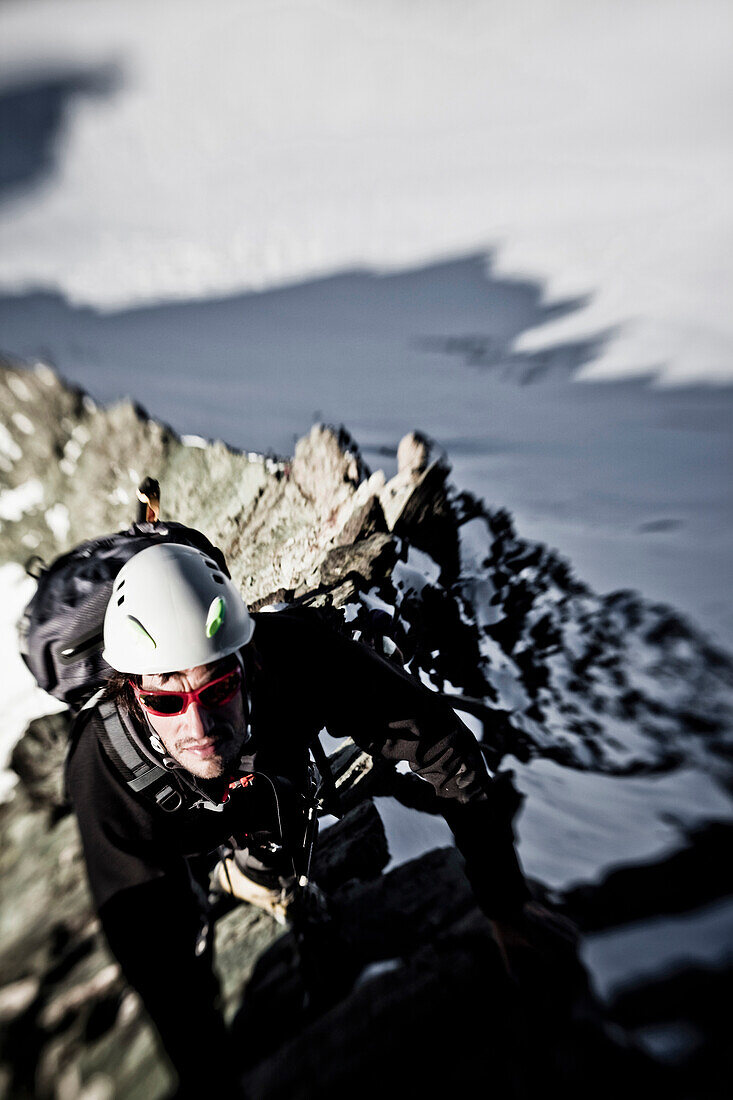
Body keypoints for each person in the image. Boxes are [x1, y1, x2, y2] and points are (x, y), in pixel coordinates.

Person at [66, 542, 538, 1095]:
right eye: (167, 701)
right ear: (132, 694)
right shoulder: (104, 766)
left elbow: (437, 741)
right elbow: (155, 960)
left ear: (246, 661)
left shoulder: (296, 654)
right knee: (179, 918)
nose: (198, 723)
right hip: (174, 827)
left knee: (278, 824)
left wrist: (505, 904)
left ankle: (254, 871)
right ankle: (222, 876)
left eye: (218, 687)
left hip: (263, 779)